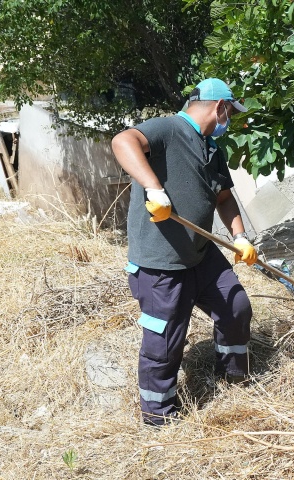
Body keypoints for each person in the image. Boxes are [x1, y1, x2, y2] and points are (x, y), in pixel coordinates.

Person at [111, 78, 257, 427]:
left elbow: (223, 197)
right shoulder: (168, 129)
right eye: (231, 112)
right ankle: (158, 416)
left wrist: (239, 236)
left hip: (201, 255)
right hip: (162, 262)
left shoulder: (211, 148)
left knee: (236, 306)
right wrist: (154, 188)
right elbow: (122, 141)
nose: (231, 120)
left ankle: (234, 376)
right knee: (164, 342)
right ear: (219, 105)